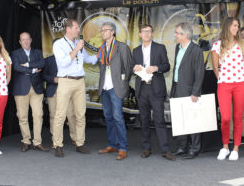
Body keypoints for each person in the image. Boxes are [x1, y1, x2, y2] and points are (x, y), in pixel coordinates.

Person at [53, 19, 98, 157]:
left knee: (80, 114)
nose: (79, 30)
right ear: (68, 29)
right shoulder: (59, 44)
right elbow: (64, 63)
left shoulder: (79, 44)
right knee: (60, 114)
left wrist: (101, 53)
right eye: (77, 28)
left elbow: (88, 59)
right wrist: (76, 49)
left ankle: (80, 143)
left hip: (79, 82)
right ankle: (58, 145)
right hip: (65, 81)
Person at [132, 24, 174, 161]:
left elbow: (167, 66)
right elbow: (132, 68)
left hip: (155, 88)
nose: (146, 34)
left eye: (148, 31)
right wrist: (135, 68)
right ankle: (146, 148)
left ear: (152, 34)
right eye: (143, 31)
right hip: (142, 89)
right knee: (144, 120)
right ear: (139, 34)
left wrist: (156, 67)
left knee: (159, 120)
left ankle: (166, 149)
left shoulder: (160, 48)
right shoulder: (136, 51)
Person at [212, 17, 244, 161]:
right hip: (224, 85)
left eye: (238, 26)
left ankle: (236, 148)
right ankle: (225, 146)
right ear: (227, 26)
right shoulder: (217, 44)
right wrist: (221, 78)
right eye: (234, 25)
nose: (236, 28)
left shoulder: (243, 43)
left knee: (238, 117)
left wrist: (240, 75)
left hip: (240, 84)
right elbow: (215, 66)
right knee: (226, 118)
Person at [97, 22, 132, 160]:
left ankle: (123, 147)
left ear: (112, 32)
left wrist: (123, 83)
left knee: (118, 117)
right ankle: (112, 144)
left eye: (104, 31)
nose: (102, 33)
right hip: (104, 87)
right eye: (102, 31)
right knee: (109, 117)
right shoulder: (102, 48)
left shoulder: (122, 47)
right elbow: (102, 67)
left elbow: (128, 67)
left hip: (116, 87)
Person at [170, 22, 205, 159]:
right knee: (180, 119)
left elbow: (199, 73)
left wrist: (195, 92)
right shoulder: (177, 47)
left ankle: (195, 148)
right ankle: (182, 147)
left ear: (185, 35)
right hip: (178, 87)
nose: (175, 35)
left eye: (177, 33)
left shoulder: (196, 50)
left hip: (190, 90)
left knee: (192, 120)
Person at [11, 32, 48, 152]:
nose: (26, 41)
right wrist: (32, 70)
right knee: (22, 117)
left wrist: (27, 65)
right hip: (21, 89)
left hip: (36, 88)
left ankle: (37, 142)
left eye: (27, 39)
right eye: (23, 40)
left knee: (38, 115)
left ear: (31, 40)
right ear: (20, 42)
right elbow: (16, 67)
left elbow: (42, 63)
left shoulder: (37, 52)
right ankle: (26, 141)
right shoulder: (15, 53)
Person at [43, 53, 77, 148]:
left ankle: (75, 138)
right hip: (52, 90)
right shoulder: (48, 60)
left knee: (70, 114)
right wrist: (53, 79)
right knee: (53, 116)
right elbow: (43, 76)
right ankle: (55, 140)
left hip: (67, 90)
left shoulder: (70, 59)